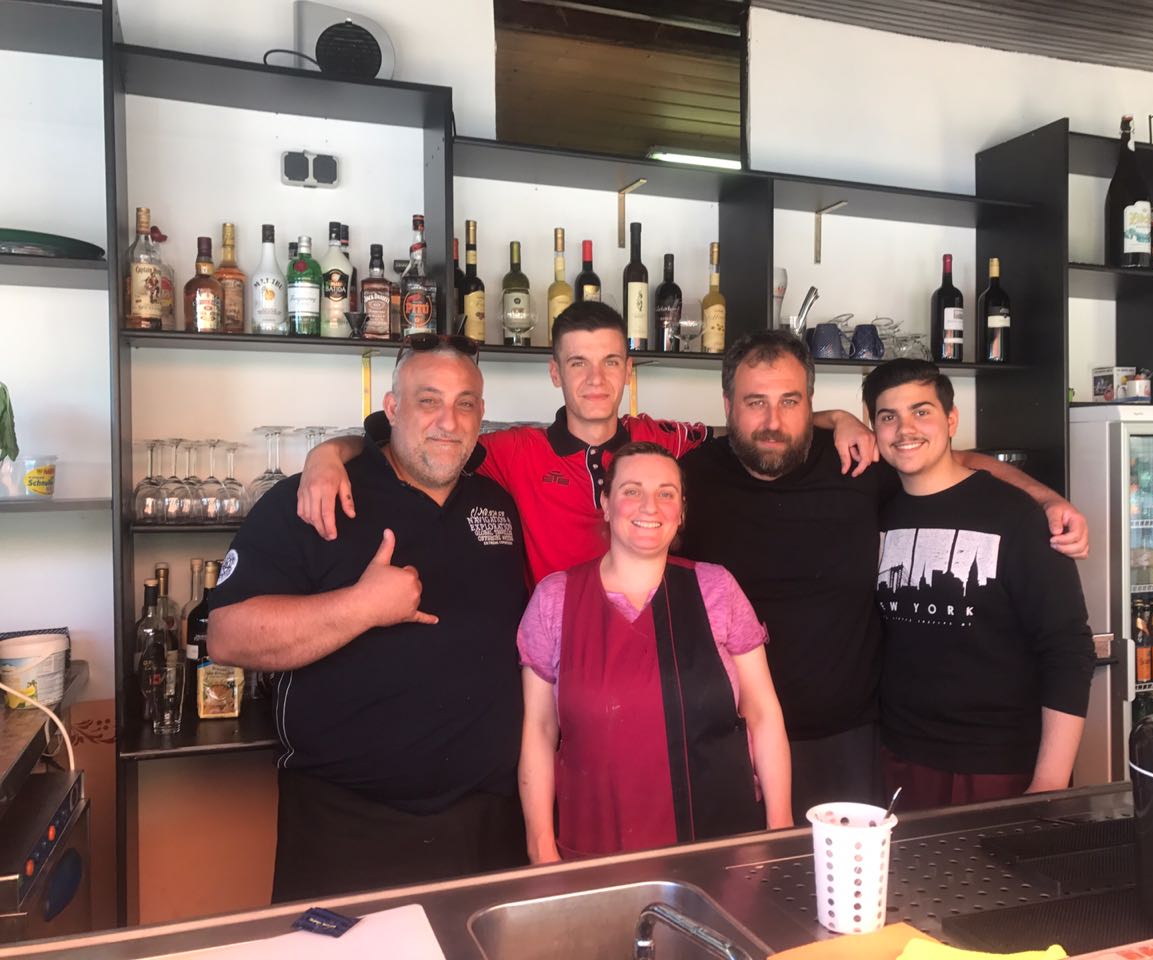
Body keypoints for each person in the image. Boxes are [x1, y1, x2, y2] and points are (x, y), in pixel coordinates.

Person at [677, 331, 1090, 816]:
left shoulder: (858, 464)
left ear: (809, 402)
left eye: (790, 401)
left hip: (853, 743)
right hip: (732, 737)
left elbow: (954, 463)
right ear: (728, 405)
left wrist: (1046, 499)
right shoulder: (691, 478)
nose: (773, 421)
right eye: (755, 402)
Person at [206, 335, 528, 902]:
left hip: (488, 822)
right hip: (348, 828)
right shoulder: (315, 497)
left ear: (482, 413)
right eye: (428, 401)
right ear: (392, 408)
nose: (448, 421)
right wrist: (361, 606)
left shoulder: (496, 504)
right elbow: (228, 636)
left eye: (465, 403)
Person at [295, 301, 876, 586]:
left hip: (653, 653)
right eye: (578, 363)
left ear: (628, 369)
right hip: (552, 658)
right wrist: (328, 453)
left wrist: (833, 417)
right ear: (555, 372)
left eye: (609, 362)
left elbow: (752, 426)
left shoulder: (663, 439)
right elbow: (415, 442)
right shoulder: (512, 452)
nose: (596, 380)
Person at [517, 442, 791, 861]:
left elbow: (762, 713)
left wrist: (781, 829)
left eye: (666, 493)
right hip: (597, 846)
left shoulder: (716, 588)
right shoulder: (556, 598)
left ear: (681, 511)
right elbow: (539, 730)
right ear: (606, 504)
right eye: (632, 491)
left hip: (721, 842)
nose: (650, 506)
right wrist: (540, 848)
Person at [861, 358, 1095, 810]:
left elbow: (1068, 648)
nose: (905, 429)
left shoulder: (1017, 516)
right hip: (902, 756)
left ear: (951, 420)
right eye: (888, 417)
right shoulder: (877, 507)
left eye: (921, 411)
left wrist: (1050, 779)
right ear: (875, 430)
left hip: (1001, 762)